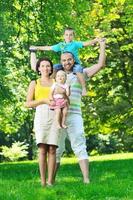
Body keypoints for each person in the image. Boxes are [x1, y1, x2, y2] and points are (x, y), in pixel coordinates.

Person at [30, 38, 106, 184]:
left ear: (74, 60)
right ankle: (51, 181)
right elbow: (38, 68)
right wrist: (33, 51)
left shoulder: (82, 73)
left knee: (79, 145)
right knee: (56, 149)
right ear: (61, 61)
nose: (67, 62)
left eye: (69, 59)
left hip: (74, 115)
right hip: (56, 116)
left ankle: (86, 179)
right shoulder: (55, 76)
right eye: (64, 60)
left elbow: (100, 64)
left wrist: (102, 45)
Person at [30, 27, 98, 96]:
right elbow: (49, 48)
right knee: (54, 67)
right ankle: (51, 86)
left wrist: (95, 40)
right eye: (67, 34)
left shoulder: (75, 44)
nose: (68, 36)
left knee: (78, 69)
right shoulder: (61, 45)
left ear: (73, 36)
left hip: (75, 64)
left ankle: (83, 88)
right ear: (64, 36)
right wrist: (37, 47)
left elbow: (85, 43)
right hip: (63, 63)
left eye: (70, 35)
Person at [25, 57, 60, 187]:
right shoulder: (34, 83)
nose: (45, 68)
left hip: (55, 115)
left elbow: (63, 96)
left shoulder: (56, 82)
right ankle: (43, 181)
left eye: (48, 66)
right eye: (43, 66)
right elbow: (27, 103)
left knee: (52, 148)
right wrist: (44, 100)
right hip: (40, 115)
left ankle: (50, 181)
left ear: (51, 68)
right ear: (38, 68)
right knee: (42, 149)